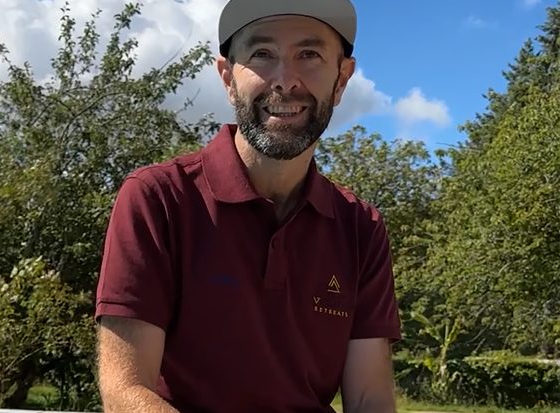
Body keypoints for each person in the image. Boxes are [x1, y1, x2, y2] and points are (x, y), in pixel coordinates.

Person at [94, 0, 401, 411]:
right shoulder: (157, 198)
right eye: (262, 54)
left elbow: (368, 399)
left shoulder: (361, 227)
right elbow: (126, 391)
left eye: (308, 54)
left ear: (341, 79)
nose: (285, 80)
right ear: (227, 77)